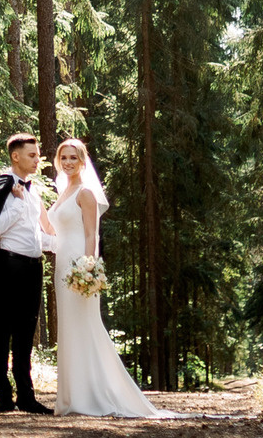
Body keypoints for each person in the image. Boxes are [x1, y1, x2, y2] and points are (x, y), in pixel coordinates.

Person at [44, 136, 170, 418]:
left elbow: (92, 234)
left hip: (78, 265)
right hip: (61, 265)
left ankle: (92, 396)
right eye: (63, 157)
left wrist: (87, 268)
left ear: (82, 160)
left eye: (73, 157)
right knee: (69, 328)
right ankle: (72, 397)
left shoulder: (85, 193)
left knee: (85, 325)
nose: (68, 162)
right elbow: (52, 229)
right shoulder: (64, 191)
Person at [0, 133, 53, 414]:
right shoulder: (2, 187)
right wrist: (17, 203)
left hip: (33, 266)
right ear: (16, 157)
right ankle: (3, 396)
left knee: (26, 332)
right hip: (9, 265)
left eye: (37, 155)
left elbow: (37, 233)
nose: (37, 160)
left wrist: (66, 247)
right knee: (3, 329)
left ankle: (26, 396)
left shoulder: (33, 191)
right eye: (32, 155)